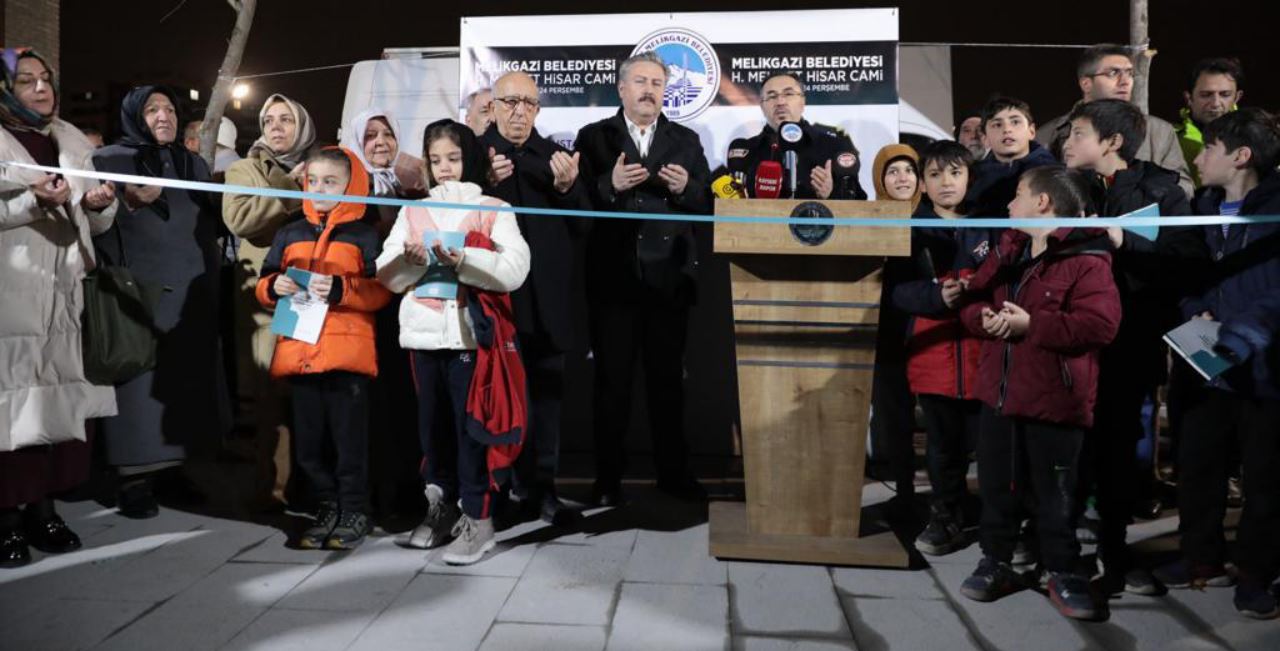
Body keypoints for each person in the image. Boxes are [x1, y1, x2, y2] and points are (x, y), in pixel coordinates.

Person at [958, 166, 1121, 622]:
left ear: (1043, 203)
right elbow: (974, 297)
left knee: (1056, 493)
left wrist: (1031, 326)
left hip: (1055, 400)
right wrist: (982, 320)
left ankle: (1064, 570)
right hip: (999, 394)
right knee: (996, 485)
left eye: (1017, 195)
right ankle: (996, 560)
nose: (1009, 205)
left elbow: (1100, 325)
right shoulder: (1008, 249)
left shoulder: (1088, 257)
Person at [377, 120, 530, 564]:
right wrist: (408, 262)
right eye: (436, 159)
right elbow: (387, 273)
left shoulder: (494, 206)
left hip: (470, 337)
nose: (445, 168)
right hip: (423, 338)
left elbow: (515, 268)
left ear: (472, 158)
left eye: (454, 157)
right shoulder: (412, 210)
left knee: (472, 431)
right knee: (432, 429)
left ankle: (479, 520)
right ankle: (439, 509)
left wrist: (465, 259)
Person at [1061, 98, 1194, 596]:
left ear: (1112, 142)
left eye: (1077, 133)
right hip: (1067, 343)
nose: (1067, 143)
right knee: (1066, 450)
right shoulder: (1062, 186)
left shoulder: (1162, 191)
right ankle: (1062, 551)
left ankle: (1115, 552)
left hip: (1128, 344)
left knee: (1119, 452)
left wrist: (1127, 243)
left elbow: (1185, 261)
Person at [1153, 109, 1280, 620]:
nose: (1199, 157)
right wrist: (1193, 310)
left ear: (1240, 156)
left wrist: (1241, 336)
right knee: (1198, 466)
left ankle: (1256, 573)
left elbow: (1274, 291)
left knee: (1265, 479)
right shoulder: (1201, 206)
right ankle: (1200, 557)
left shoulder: (1275, 210)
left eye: (1209, 149)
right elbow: (1189, 272)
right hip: (1203, 364)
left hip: (1264, 370)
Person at [574, 50, 713, 506]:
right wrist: (608, 185)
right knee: (611, 385)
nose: (649, 89)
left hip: (668, 282)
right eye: (640, 81)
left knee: (667, 384)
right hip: (613, 282)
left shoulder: (686, 140)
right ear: (621, 88)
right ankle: (607, 480)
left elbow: (707, 204)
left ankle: (673, 474)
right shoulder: (593, 138)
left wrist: (683, 189)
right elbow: (577, 208)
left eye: (657, 82)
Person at [0, 48, 118, 568]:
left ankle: (44, 508)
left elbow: (96, 224)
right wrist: (33, 202)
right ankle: (6, 516)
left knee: (55, 401)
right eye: (25, 81)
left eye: (45, 79)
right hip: (12, 292)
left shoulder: (68, 140)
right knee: (13, 406)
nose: (40, 89)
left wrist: (96, 205)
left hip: (66, 291)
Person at [92, 85, 230, 518]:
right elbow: (93, 221)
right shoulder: (109, 160)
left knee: (181, 385)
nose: (164, 116)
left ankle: (174, 472)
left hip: (189, 289)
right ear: (134, 115)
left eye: (169, 108)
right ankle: (133, 480)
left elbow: (209, 225)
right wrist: (127, 206)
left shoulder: (194, 164)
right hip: (136, 291)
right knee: (137, 389)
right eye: (152, 110)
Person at [256, 147, 390, 549]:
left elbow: (381, 291)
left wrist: (340, 289)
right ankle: (326, 507)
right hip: (300, 351)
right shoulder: (290, 230)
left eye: (330, 182)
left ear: (352, 186)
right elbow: (267, 279)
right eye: (312, 181)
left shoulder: (365, 233)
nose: (319, 190)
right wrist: (271, 287)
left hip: (346, 357)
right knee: (309, 443)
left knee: (350, 442)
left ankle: (354, 509)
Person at [482, 71, 591, 524]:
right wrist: (484, 181)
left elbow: (585, 227)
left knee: (545, 402)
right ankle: (496, 492)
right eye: (509, 102)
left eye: (528, 103)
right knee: (498, 402)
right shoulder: (475, 154)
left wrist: (568, 190)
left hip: (547, 306)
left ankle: (542, 490)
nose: (519, 111)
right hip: (497, 306)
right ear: (492, 106)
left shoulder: (557, 158)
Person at [890, 141, 993, 555]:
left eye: (954, 173)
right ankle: (946, 513)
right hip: (933, 355)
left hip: (983, 352)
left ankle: (997, 519)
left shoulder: (991, 225)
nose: (945, 182)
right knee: (942, 444)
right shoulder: (908, 228)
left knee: (990, 445)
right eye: (934, 175)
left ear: (969, 177)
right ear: (922, 183)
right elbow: (896, 292)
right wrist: (936, 297)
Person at [223, 93, 316, 512]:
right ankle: (271, 492)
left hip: (313, 291)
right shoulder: (245, 168)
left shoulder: (322, 165)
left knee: (310, 394)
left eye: (287, 120)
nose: (277, 127)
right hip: (268, 296)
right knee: (271, 398)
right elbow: (241, 219)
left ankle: (311, 484)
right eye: (269, 120)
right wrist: (292, 189)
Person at [1038, 44, 1193, 198]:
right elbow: (1036, 190)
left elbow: (1184, 187)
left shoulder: (1159, 131)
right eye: (1113, 73)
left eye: (1130, 73)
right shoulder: (1049, 134)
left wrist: (1140, 196)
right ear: (1086, 84)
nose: (1125, 81)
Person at [868, 143, 922, 513]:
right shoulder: (870, 218)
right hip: (888, 331)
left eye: (908, 171)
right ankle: (904, 491)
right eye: (892, 171)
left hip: (930, 330)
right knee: (894, 414)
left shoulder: (935, 216)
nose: (901, 178)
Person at [727, 72, 866, 200]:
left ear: (802, 102)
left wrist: (831, 194)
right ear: (762, 106)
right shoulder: (746, 151)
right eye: (772, 96)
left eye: (788, 94)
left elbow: (859, 204)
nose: (780, 102)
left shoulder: (834, 146)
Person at [965, 96, 1056, 219]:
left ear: (1032, 131)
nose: (1007, 130)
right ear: (985, 138)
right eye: (997, 125)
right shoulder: (971, 178)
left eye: (1015, 122)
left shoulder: (1055, 175)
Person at [1176, 58, 1245, 188]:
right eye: (1206, 95)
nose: (1215, 103)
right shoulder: (1169, 139)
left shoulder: (1255, 135)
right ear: (1189, 98)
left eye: (1225, 94)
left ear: (1237, 97)